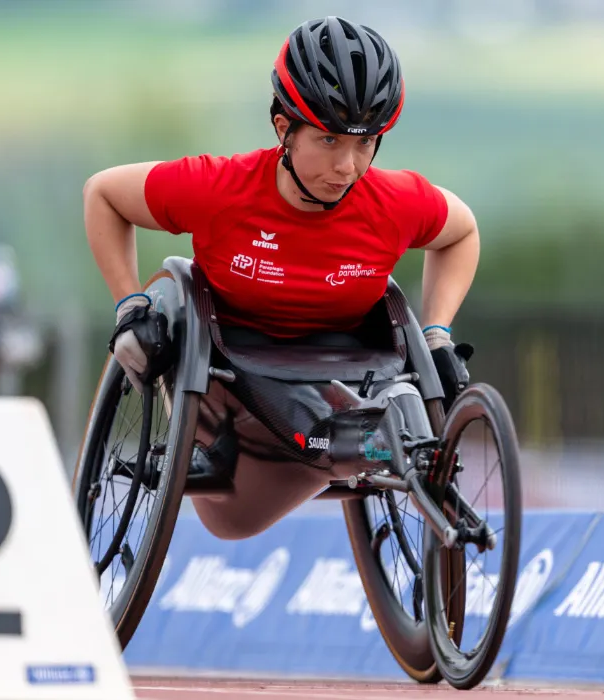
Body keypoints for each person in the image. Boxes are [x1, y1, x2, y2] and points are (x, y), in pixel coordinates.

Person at [83, 16, 480, 538]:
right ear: (282, 129)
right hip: (227, 379)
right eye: (330, 140)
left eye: (367, 144)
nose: (348, 166)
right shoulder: (221, 188)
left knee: (388, 424)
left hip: (337, 384)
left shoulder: (394, 202)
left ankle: (405, 458)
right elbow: (104, 195)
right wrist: (130, 307)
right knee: (232, 521)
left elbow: (462, 232)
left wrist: (437, 334)